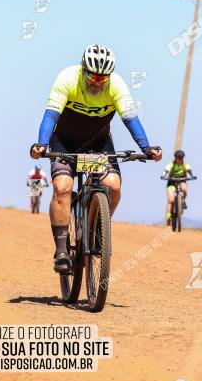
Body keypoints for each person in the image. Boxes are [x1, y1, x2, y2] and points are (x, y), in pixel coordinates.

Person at [31, 44, 162, 272]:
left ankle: (99, 228)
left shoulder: (117, 85)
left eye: (103, 78)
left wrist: (147, 147)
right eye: (93, 76)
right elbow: (51, 115)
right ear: (83, 70)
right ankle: (62, 249)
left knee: (113, 186)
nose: (97, 82)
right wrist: (42, 144)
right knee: (62, 187)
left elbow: (131, 119)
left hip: (98, 145)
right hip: (64, 142)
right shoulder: (67, 78)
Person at [162, 150, 195, 224]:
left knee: (184, 188)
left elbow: (189, 170)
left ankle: (182, 201)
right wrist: (163, 175)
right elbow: (166, 171)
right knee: (171, 200)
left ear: (183, 158)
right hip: (172, 181)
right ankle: (168, 216)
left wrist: (192, 176)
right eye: (177, 157)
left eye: (180, 157)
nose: (179, 159)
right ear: (175, 157)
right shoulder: (171, 164)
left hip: (182, 180)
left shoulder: (185, 164)